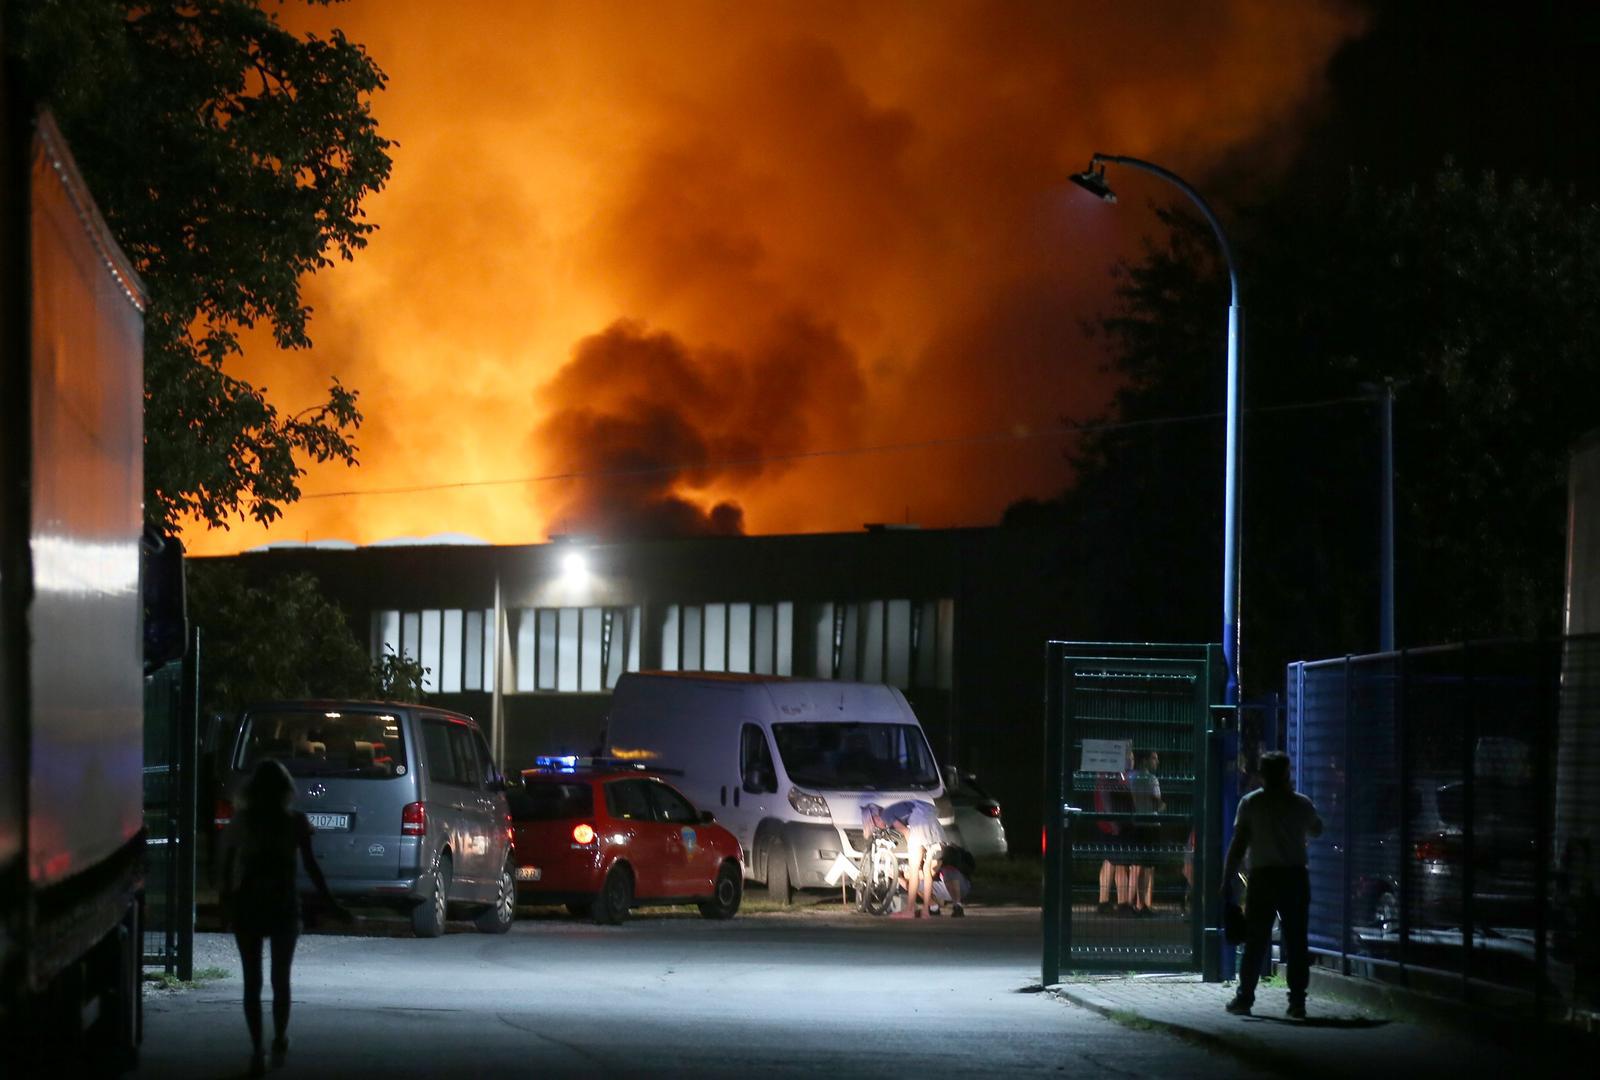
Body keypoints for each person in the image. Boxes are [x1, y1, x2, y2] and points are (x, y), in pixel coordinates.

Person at [220, 759, 350, 1075]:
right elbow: (312, 868)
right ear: (285, 790)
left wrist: (227, 902)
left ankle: (256, 1050)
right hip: (283, 904)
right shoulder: (296, 822)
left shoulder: (243, 821)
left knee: (252, 981)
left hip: (249, 903)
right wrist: (332, 904)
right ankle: (279, 1037)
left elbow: (226, 865)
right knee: (281, 979)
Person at [1220, 750, 1323, 1019]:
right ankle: (1297, 1002)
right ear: (1287, 773)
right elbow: (1317, 829)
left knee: (1256, 940)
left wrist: (1227, 877)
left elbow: (1238, 843)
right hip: (1295, 877)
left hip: (1263, 877)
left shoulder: (1251, 803)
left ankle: (1245, 998)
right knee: (1297, 940)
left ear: (1262, 774)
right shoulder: (1301, 804)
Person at [862, 800, 945, 919]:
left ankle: (910, 910)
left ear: (874, 817)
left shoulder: (886, 814)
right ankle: (926, 911)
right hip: (932, 825)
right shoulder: (894, 809)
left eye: (873, 824)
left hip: (919, 826)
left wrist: (911, 848)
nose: (876, 827)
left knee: (914, 869)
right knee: (927, 870)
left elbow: (906, 831)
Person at [1094, 745, 1136, 915]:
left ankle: (1104, 901)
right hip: (1114, 824)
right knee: (1120, 863)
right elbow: (1107, 800)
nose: (1131, 761)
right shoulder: (1111, 776)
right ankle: (1123, 903)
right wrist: (1113, 822)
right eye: (1129, 757)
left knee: (1110, 861)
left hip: (1109, 823)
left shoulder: (1111, 775)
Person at [1128, 749, 1166, 916]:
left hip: (1137, 823)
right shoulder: (1152, 779)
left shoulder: (1132, 778)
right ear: (1145, 760)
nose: (1156, 762)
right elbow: (1157, 804)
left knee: (1138, 864)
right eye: (1154, 758)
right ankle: (1143, 904)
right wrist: (1164, 807)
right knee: (1148, 866)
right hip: (1151, 824)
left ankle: (1135, 903)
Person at [932, 842, 977, 917]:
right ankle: (933, 907)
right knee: (917, 882)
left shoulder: (954, 854)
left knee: (949, 871)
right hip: (945, 888)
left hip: (961, 887)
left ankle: (957, 906)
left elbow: (969, 868)